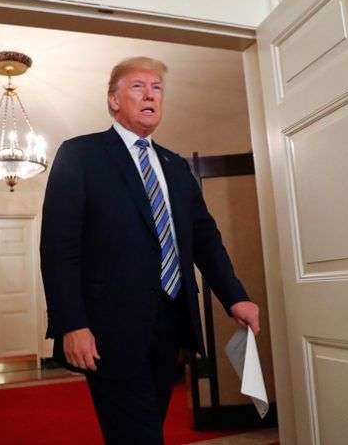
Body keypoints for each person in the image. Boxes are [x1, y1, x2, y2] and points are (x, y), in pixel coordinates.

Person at [40, 57, 260, 444]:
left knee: (145, 428)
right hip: (108, 330)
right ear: (113, 100)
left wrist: (235, 298)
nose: (150, 95)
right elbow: (59, 248)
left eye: (157, 88)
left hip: (170, 325)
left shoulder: (175, 166)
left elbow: (205, 240)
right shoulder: (81, 155)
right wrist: (72, 323)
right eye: (138, 86)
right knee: (137, 435)